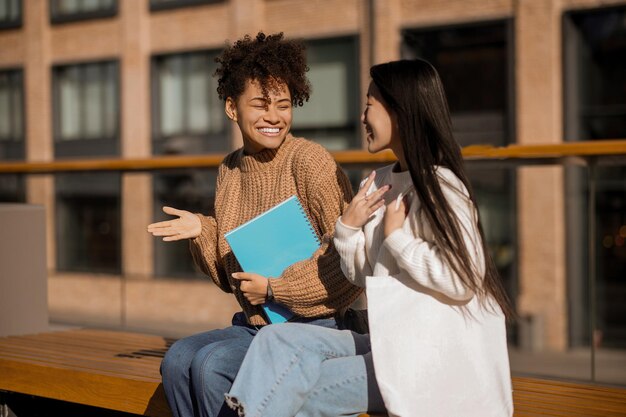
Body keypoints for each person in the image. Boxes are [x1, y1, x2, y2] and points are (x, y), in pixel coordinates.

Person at [224, 58, 515, 417]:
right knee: (274, 339)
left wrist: (398, 240)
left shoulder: (442, 187)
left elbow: (462, 281)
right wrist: (347, 229)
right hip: (388, 342)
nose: (362, 116)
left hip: (430, 360)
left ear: (400, 112)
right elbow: (365, 278)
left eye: (369, 105)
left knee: (299, 389)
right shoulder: (379, 182)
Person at [147, 32, 363, 417]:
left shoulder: (309, 162)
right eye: (261, 105)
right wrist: (204, 231)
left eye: (283, 105)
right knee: (178, 360)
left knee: (211, 366)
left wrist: (275, 288)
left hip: (318, 326)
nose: (274, 117)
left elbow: (349, 265)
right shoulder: (229, 170)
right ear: (232, 107)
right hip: (259, 325)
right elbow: (230, 278)